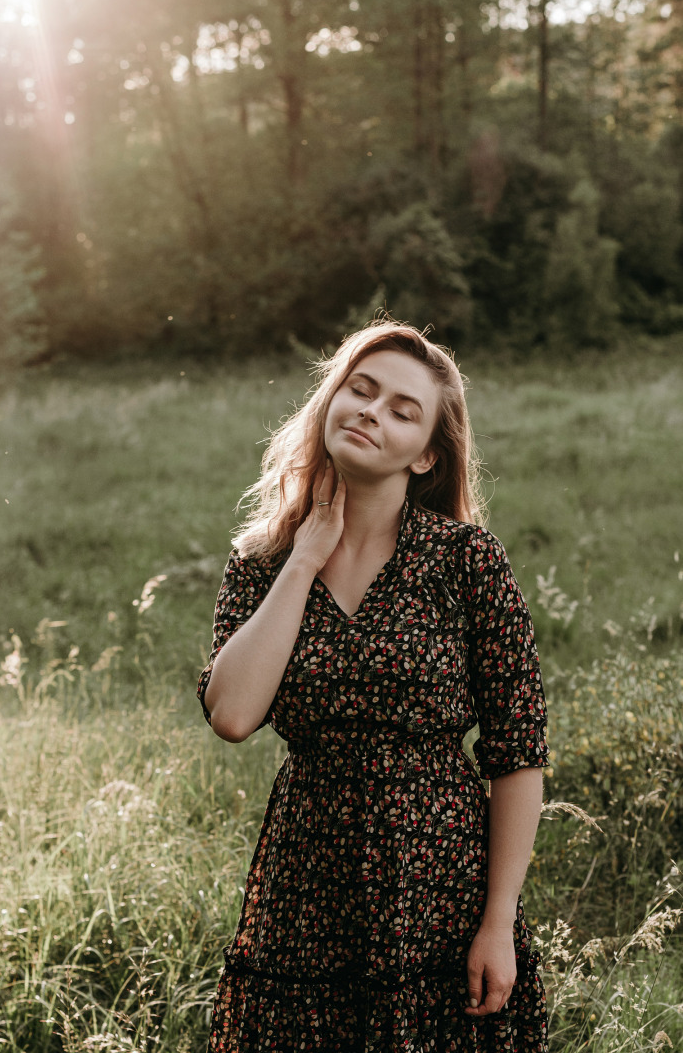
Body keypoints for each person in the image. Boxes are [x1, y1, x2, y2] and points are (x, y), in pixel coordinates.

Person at [197, 320, 549, 1052]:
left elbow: (518, 752)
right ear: (329, 402)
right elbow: (232, 713)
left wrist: (497, 923)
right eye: (360, 390)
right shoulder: (263, 564)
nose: (370, 411)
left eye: (401, 409)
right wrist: (304, 560)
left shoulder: (467, 561)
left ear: (425, 456)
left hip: (440, 884)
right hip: (307, 884)